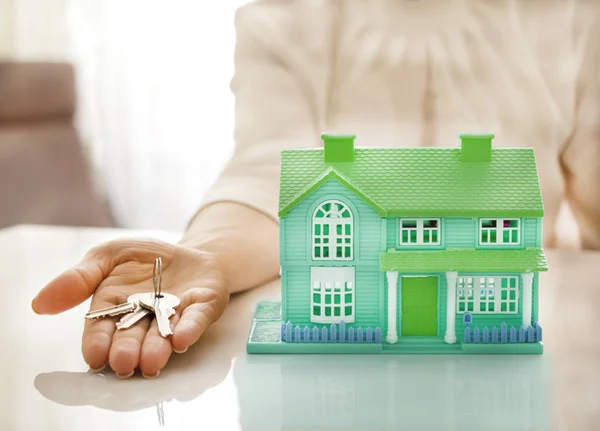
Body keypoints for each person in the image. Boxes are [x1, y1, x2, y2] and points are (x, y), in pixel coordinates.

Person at [31, 0, 600, 378]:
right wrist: (210, 254)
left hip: (518, 364)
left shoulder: (573, 15)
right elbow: (269, 167)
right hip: (336, 373)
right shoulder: (287, 14)